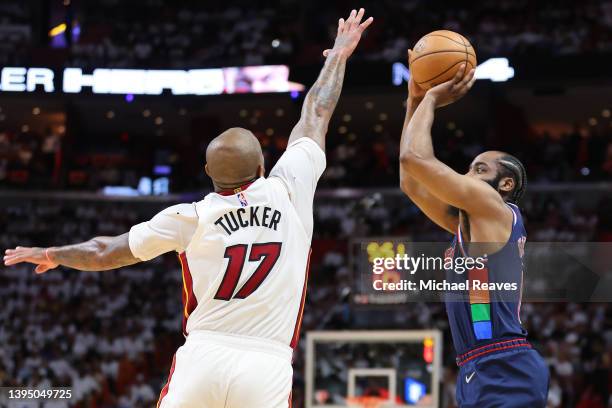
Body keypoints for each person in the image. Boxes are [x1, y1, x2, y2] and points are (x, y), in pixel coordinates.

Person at [3, 9, 373, 408]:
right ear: (263, 166)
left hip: (204, 355)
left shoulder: (190, 216)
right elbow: (316, 111)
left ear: (208, 173)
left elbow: (103, 251)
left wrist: (53, 253)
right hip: (266, 361)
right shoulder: (290, 187)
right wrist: (338, 54)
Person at [398, 62, 549, 407]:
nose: (467, 176)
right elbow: (410, 181)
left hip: (504, 364)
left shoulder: (493, 205)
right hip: (478, 364)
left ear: (505, 183)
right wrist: (413, 100)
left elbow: (413, 157)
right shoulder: (469, 223)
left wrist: (431, 98)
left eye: (480, 169)